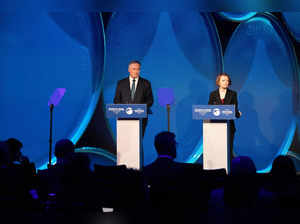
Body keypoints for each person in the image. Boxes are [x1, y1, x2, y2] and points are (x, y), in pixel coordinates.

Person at [114, 60, 154, 136]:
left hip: (140, 118)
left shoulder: (146, 83)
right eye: (134, 69)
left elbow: (150, 101)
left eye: (138, 69)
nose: (136, 71)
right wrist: (126, 108)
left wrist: (138, 108)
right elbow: (116, 100)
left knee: (137, 140)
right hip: (124, 118)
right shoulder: (121, 83)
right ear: (129, 70)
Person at [208, 73, 241, 161]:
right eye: (223, 80)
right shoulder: (213, 94)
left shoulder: (233, 94)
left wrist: (237, 114)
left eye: (227, 80)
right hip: (216, 126)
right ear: (218, 82)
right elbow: (209, 110)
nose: (226, 82)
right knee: (217, 150)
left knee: (228, 151)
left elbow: (234, 109)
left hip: (229, 126)